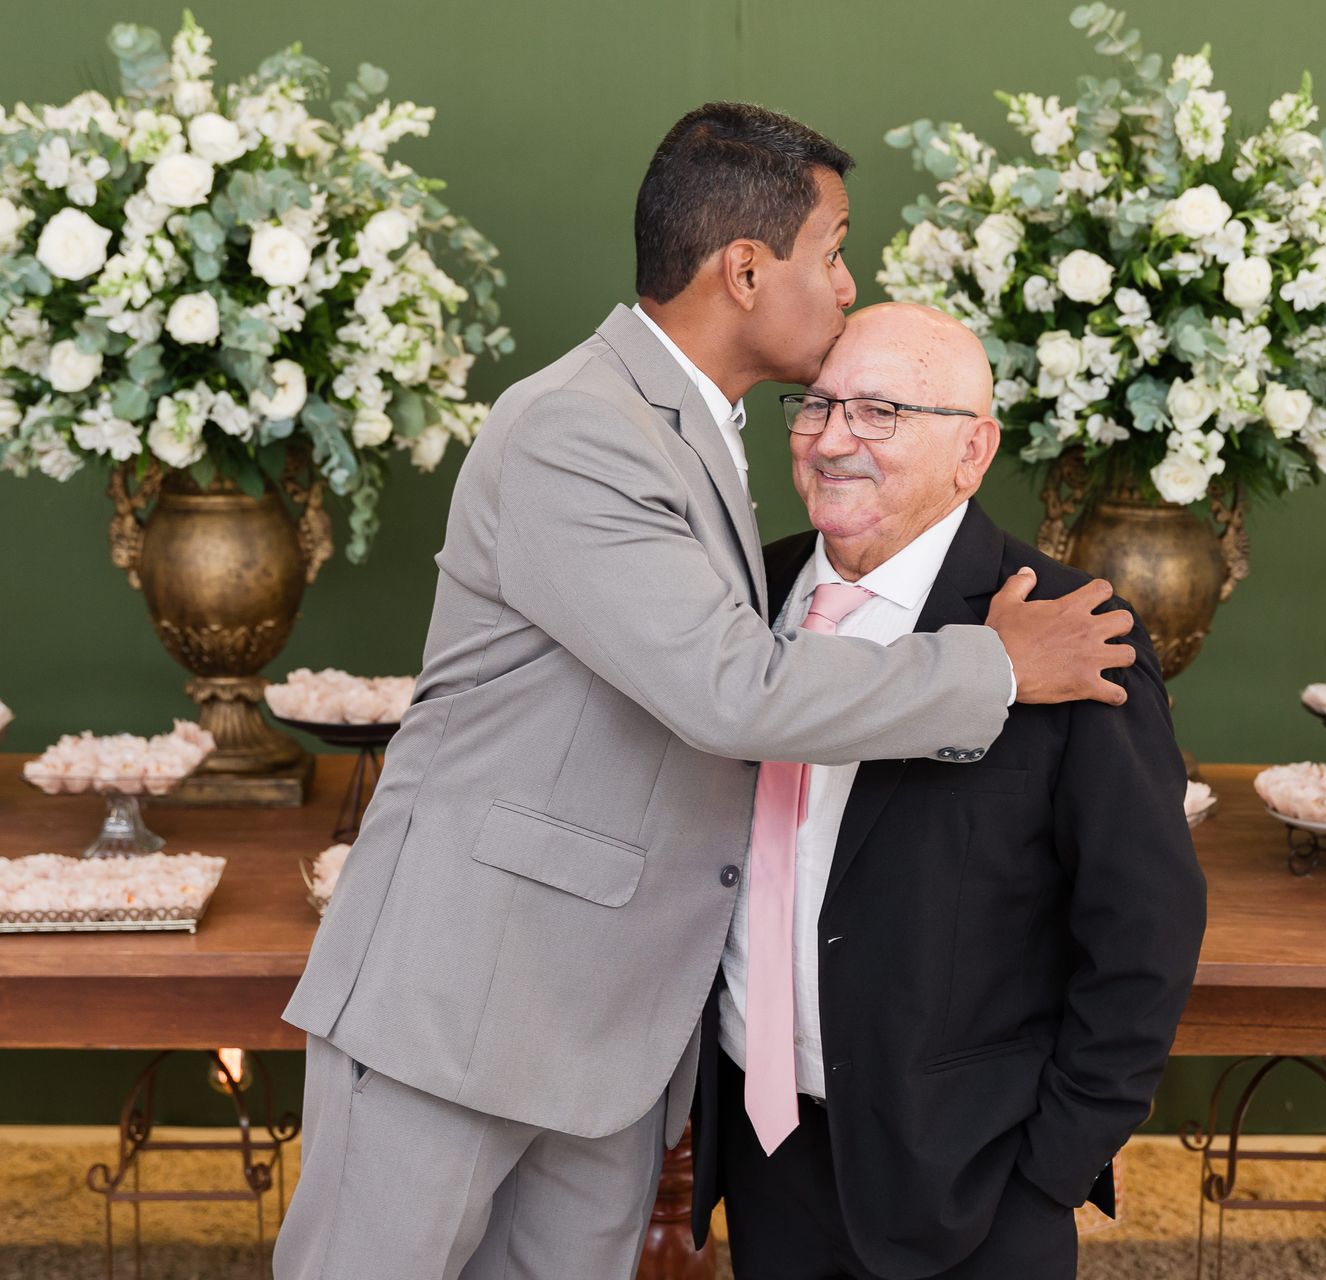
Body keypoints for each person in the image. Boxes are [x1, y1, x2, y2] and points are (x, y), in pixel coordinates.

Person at [272, 104, 1139, 1280]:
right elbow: (730, 689)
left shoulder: (692, 431)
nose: (845, 284)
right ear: (745, 269)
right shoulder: (576, 426)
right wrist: (994, 665)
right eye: (832, 251)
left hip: (607, 1042)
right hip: (463, 1006)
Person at [691, 303, 1207, 1279]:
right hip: (762, 1150)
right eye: (816, 406)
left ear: (972, 450)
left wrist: (1050, 1165)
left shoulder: (1071, 629)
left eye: (880, 411)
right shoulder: (738, 601)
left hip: (972, 1173)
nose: (834, 438)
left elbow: (1146, 928)